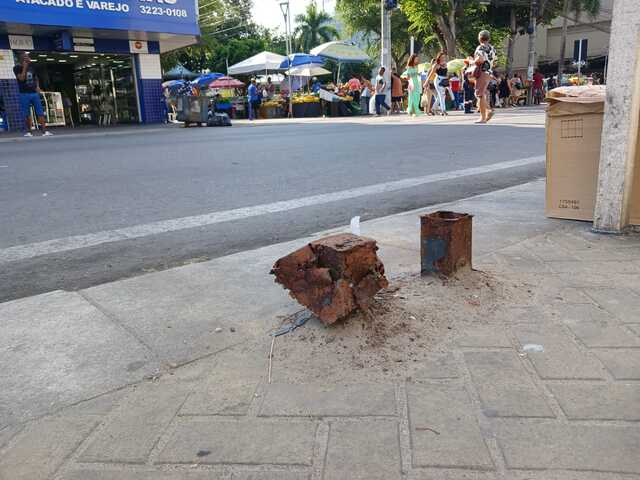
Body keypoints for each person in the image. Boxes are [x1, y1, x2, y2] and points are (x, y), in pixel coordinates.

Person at [13, 52, 52, 137]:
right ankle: (29, 132)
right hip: (24, 93)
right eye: (25, 57)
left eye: (28, 57)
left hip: (34, 93)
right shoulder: (16, 68)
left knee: (40, 112)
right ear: (21, 59)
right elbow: (22, 78)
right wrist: (24, 67)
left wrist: (38, 86)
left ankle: (44, 132)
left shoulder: (32, 67)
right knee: (26, 113)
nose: (28, 58)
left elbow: (35, 77)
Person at [473, 30, 496, 124]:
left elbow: (480, 59)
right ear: (488, 38)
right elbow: (495, 62)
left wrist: (472, 61)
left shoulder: (480, 48)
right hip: (489, 72)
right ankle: (488, 110)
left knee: (480, 94)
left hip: (482, 72)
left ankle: (483, 117)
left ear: (479, 38)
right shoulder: (492, 48)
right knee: (481, 93)